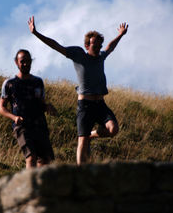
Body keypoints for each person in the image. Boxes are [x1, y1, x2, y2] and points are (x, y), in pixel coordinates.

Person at [27, 16, 128, 165]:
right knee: (82, 141)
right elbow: (56, 45)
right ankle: (80, 172)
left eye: (100, 44)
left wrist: (120, 34)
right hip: (85, 106)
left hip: (100, 105)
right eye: (95, 44)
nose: (98, 47)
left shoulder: (101, 56)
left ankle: (92, 135)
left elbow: (110, 47)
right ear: (87, 45)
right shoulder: (79, 55)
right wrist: (36, 33)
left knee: (113, 129)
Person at [0, 49, 56, 169]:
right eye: (22, 61)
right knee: (31, 156)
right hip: (22, 126)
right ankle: (30, 185)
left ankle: (40, 185)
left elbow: (41, 102)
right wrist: (14, 118)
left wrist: (47, 107)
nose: (26, 64)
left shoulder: (38, 82)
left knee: (45, 160)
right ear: (16, 62)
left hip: (39, 124)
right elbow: (1, 107)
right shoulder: (9, 84)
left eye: (28, 61)